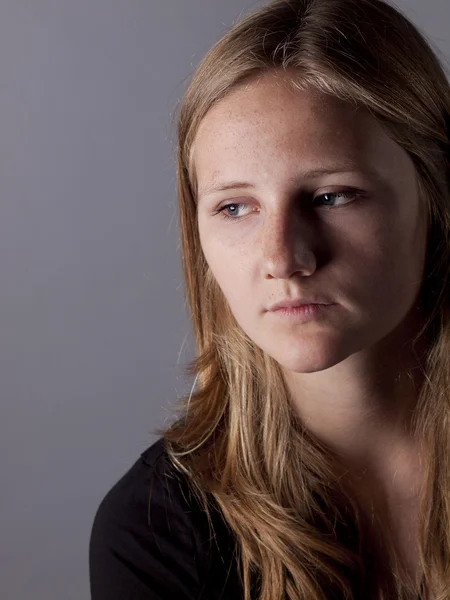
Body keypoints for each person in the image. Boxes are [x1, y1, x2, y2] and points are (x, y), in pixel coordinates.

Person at [89, 0, 450, 598]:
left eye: (334, 196)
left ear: (435, 197)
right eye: (235, 207)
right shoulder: (155, 531)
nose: (283, 258)